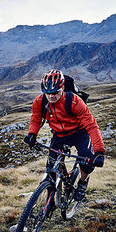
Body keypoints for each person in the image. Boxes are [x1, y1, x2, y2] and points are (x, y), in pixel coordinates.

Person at [24, 69, 105, 201]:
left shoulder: (74, 101)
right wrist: (32, 134)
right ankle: (49, 200)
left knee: (86, 161)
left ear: (62, 87)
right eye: (47, 93)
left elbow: (91, 125)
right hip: (59, 135)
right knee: (50, 169)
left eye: (55, 92)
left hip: (80, 133)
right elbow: (36, 118)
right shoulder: (40, 101)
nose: (51, 96)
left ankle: (83, 182)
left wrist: (99, 151)